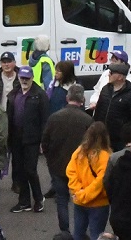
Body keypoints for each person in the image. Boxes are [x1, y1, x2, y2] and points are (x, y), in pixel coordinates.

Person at [41, 84, 91, 233]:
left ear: (67, 97)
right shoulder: (88, 120)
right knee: (80, 200)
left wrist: (50, 158)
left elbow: (45, 142)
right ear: (82, 100)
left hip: (57, 165)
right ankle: (80, 232)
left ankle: (65, 231)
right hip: (80, 168)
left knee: (62, 200)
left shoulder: (54, 117)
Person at [7, 65, 48, 213]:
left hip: (32, 138)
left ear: (32, 78)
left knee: (30, 170)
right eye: (22, 78)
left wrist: (43, 140)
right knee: (19, 170)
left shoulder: (40, 95)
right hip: (16, 137)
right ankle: (24, 202)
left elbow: (45, 119)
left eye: (27, 78)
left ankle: (38, 198)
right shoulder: (14, 93)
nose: (24, 81)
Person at [66, 122, 112, 240]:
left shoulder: (79, 151)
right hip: (98, 203)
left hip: (79, 201)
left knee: (78, 234)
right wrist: (86, 195)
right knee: (96, 235)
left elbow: (71, 171)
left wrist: (78, 192)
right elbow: (101, 181)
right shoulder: (105, 156)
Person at [90, 60, 131, 150]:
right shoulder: (105, 89)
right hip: (101, 137)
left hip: (119, 141)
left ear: (120, 77)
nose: (108, 75)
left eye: (111, 73)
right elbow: (98, 112)